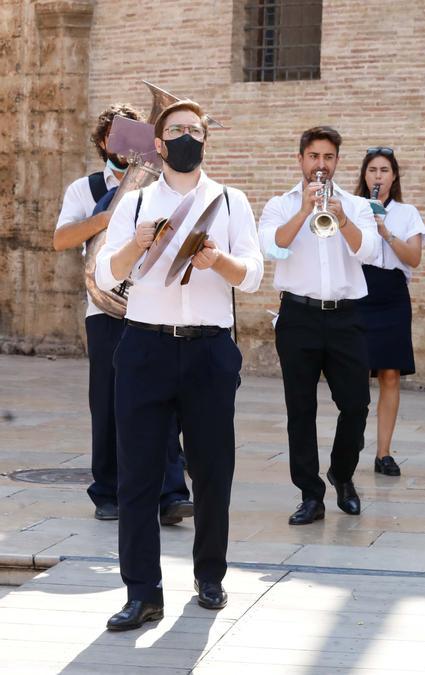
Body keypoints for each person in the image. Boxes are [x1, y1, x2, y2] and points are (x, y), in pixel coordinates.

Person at [97, 100, 264, 630]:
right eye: (177, 131)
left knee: (213, 470)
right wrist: (135, 246)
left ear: (205, 140)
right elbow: (106, 272)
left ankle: (209, 576)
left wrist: (219, 261)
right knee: (139, 476)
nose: (187, 137)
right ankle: (143, 593)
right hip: (145, 347)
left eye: (195, 129)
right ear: (161, 144)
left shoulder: (231, 201)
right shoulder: (137, 200)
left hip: (209, 349)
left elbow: (254, 274)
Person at [51, 103, 192, 525]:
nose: (126, 143)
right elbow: (61, 239)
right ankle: (108, 491)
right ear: (103, 142)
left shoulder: (166, 186)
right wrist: (110, 217)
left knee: (166, 400)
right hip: (105, 307)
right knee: (109, 400)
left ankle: (171, 493)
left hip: (153, 308)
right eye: (117, 135)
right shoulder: (85, 188)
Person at [259, 126, 381, 525]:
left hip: (347, 316)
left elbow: (370, 252)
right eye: (314, 157)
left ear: (337, 162)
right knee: (301, 409)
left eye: (328, 157)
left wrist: (342, 218)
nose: (321, 165)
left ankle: (342, 475)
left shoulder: (356, 205)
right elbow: (272, 247)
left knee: (357, 405)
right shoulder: (281, 204)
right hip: (298, 317)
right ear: (301, 160)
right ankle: (310, 494)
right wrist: (303, 211)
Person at [355, 147, 425, 478]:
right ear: (364, 175)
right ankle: (352, 438)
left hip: (393, 294)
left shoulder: (407, 212)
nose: (378, 176)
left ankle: (383, 452)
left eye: (384, 170)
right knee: (355, 373)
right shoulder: (353, 208)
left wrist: (385, 230)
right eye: (372, 170)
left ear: (394, 176)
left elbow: (413, 258)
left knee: (389, 374)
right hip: (358, 290)